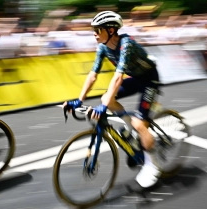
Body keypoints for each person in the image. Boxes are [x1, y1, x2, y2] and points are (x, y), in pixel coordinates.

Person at [63, 11, 161, 188]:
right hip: (136, 78)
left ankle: (151, 165)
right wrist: (79, 100)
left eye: (97, 30)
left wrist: (104, 106)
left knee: (139, 124)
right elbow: (93, 75)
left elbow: (118, 77)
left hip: (149, 80)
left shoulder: (126, 44)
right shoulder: (102, 47)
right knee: (105, 97)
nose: (94, 33)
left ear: (110, 30)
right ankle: (131, 130)